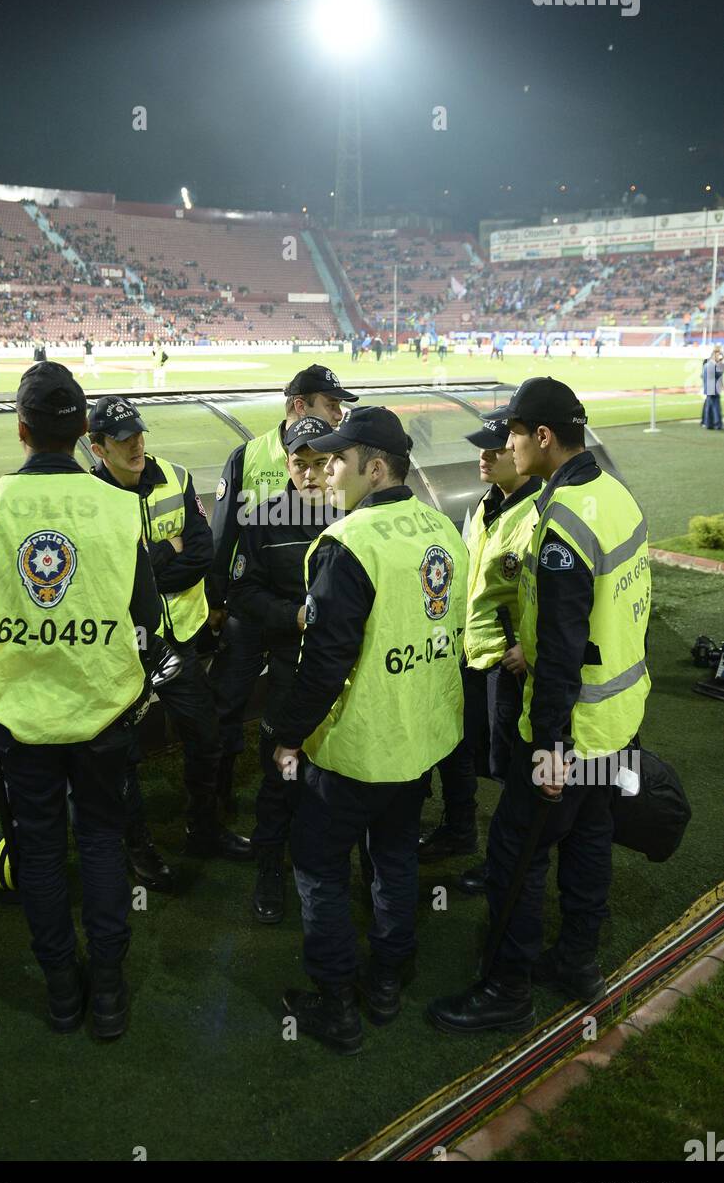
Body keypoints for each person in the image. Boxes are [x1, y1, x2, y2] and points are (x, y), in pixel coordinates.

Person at [0, 363, 167, 1039]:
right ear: (84, 432)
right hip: (102, 718)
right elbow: (151, 624)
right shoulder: (121, 506)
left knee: (38, 853)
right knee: (102, 843)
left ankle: (62, 992)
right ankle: (108, 995)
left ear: (21, 429)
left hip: (17, 723)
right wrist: (128, 687)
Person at [427, 377, 651, 1034]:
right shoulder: (612, 495)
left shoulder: (562, 523)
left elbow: (558, 654)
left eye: (514, 435)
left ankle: (506, 988)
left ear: (542, 437)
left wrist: (548, 747)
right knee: (589, 842)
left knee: (515, 861)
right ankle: (576, 962)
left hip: (571, 729)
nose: (507, 444)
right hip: (618, 721)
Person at [268, 407, 469, 1053]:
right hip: (420, 743)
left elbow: (326, 660)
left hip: (356, 747)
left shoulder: (350, 543)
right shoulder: (441, 528)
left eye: (337, 459)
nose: (325, 470)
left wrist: (288, 734)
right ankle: (386, 979)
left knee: (320, 870)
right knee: (393, 860)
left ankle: (334, 1003)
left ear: (373, 467)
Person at [89, 395, 252, 864]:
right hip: (121, 644)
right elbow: (106, 578)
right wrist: (167, 550)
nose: (136, 445)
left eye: (139, 433)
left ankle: (203, 829)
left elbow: (201, 555)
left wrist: (148, 560)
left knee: (206, 734)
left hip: (177, 639)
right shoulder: (89, 498)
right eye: (123, 440)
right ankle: (137, 847)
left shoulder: (176, 477)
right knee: (119, 752)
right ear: (98, 448)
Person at [207, 365, 358, 806]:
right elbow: (224, 535)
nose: (338, 414)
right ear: (299, 404)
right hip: (254, 605)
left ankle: (297, 789)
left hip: (306, 613)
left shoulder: (339, 460)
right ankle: (219, 797)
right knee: (229, 699)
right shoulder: (249, 456)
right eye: (331, 404)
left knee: (295, 703)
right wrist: (218, 600)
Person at [419, 407, 542, 888]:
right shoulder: (489, 502)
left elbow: (549, 590)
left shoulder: (538, 511)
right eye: (481, 448)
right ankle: (460, 829)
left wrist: (530, 648)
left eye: (494, 448)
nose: (484, 457)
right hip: (471, 651)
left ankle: (507, 864)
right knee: (459, 748)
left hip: (504, 661)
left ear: (518, 451)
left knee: (509, 769)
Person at [226, 416, 337, 923]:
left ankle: (327, 867)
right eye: (301, 463)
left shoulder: (354, 514)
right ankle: (270, 865)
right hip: (291, 671)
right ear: (286, 462)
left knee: (335, 775)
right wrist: (290, 616)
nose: (311, 474)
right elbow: (243, 592)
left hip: (348, 677)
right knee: (282, 771)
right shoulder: (262, 519)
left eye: (321, 463)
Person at [701, 345, 723, 430]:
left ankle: (708, 423)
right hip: (714, 389)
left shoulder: (706, 364)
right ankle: (717, 424)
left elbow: (703, 376)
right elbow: (719, 374)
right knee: (716, 407)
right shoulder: (714, 365)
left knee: (708, 407)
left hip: (708, 388)